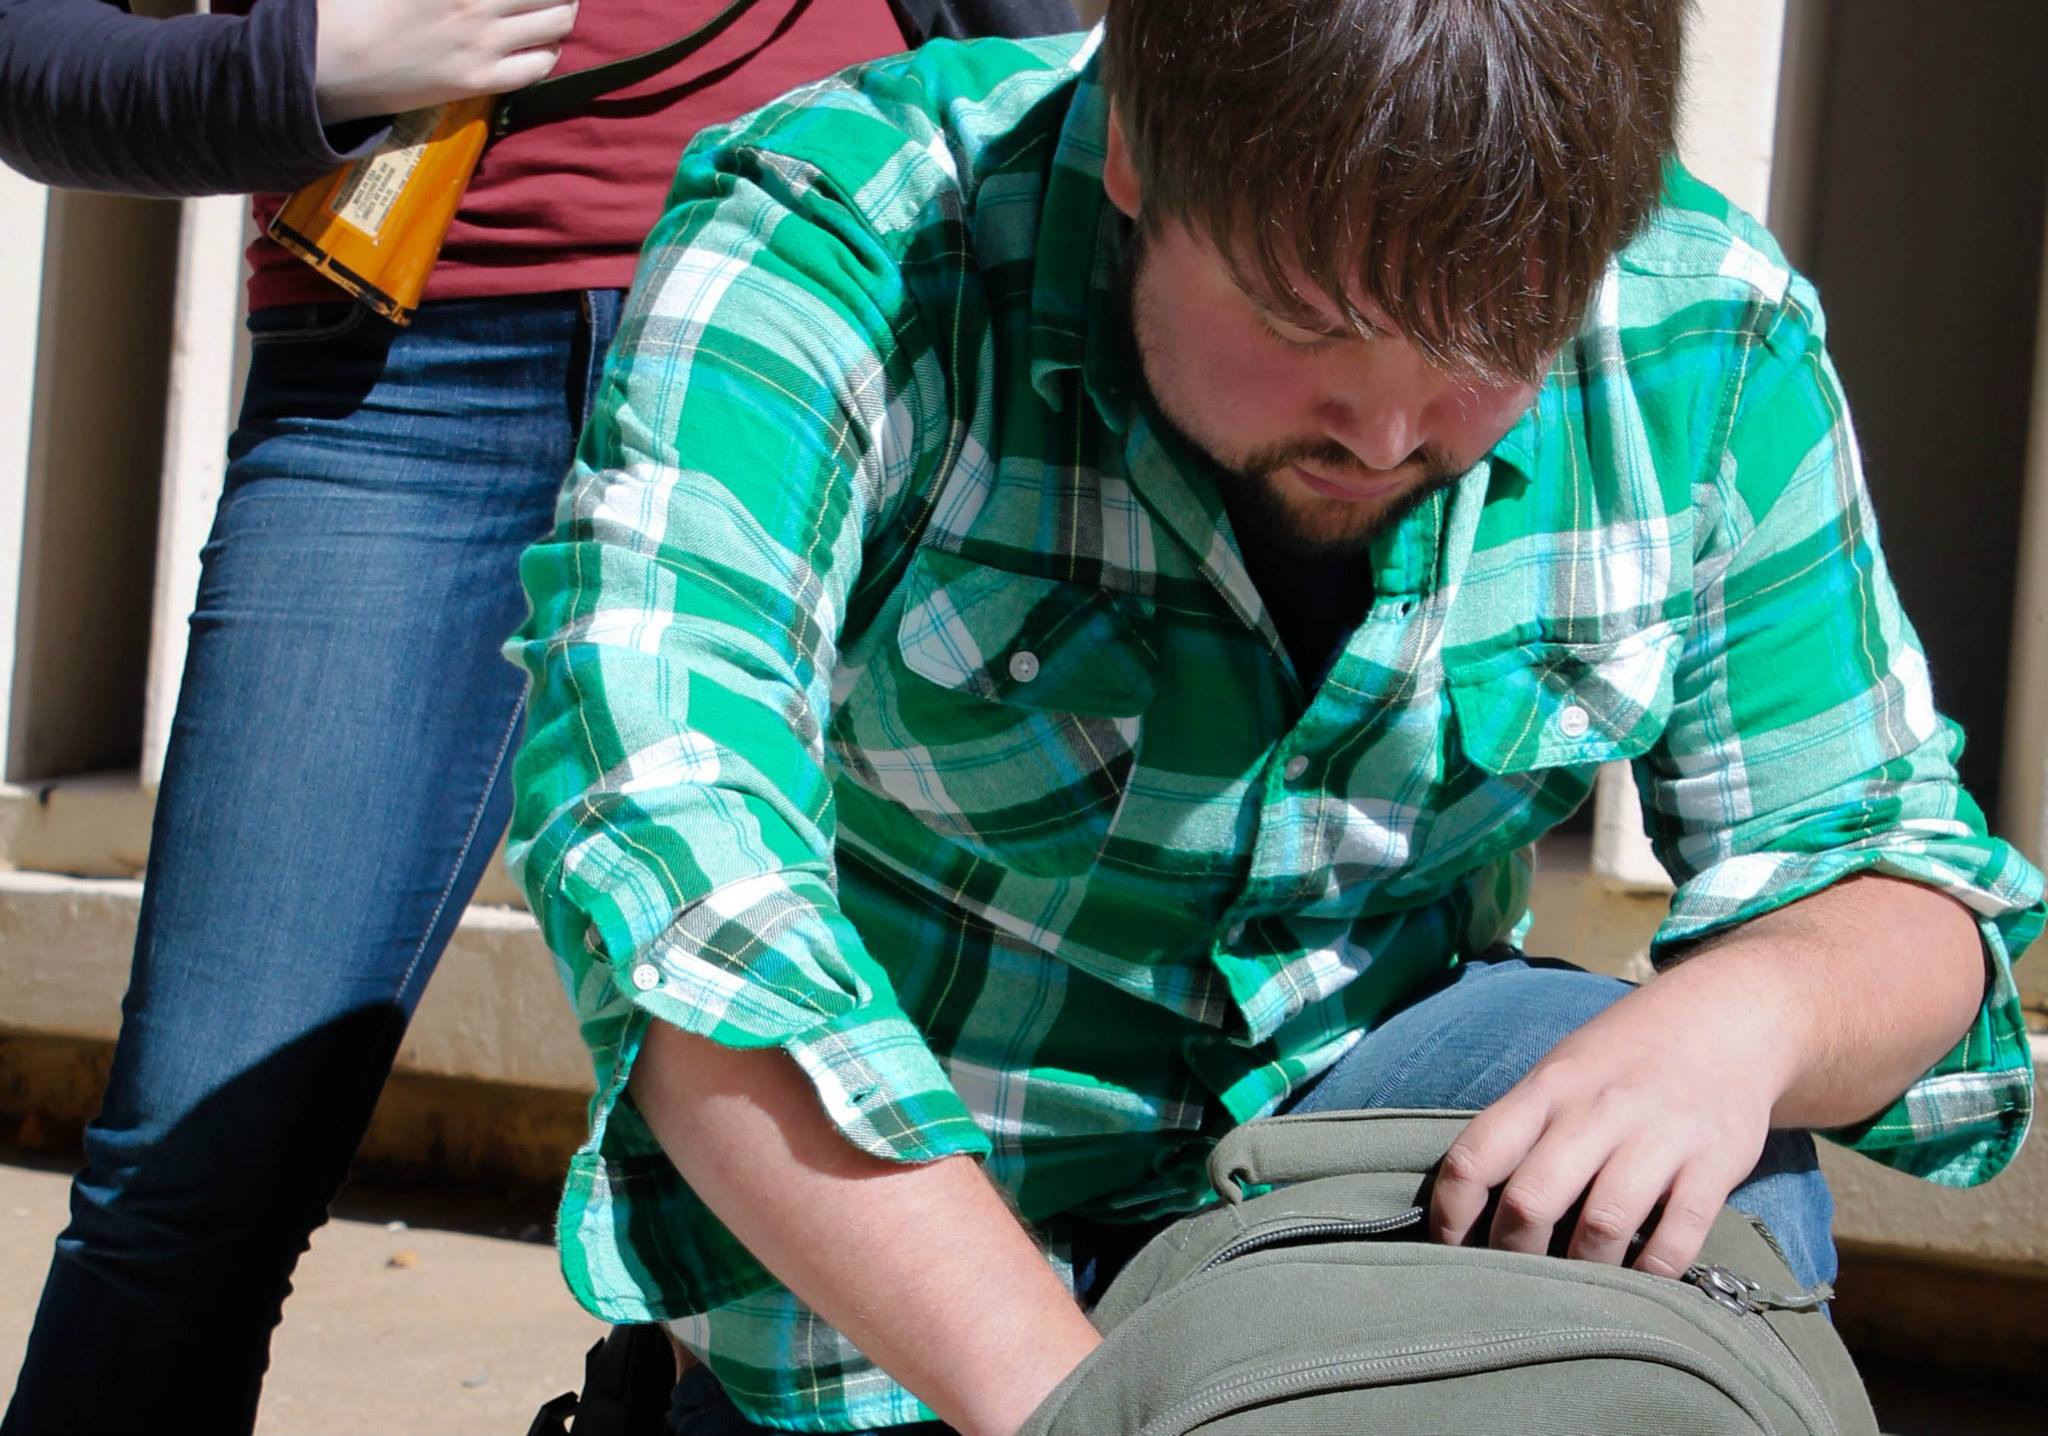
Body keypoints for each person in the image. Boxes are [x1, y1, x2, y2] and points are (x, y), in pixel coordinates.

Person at [508, 2, 2044, 1433]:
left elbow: (1901, 878)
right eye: (1305, 321)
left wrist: (1748, 1020)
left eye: (1486, 344)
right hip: (896, 1290)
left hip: (1367, 1175)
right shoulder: (847, 233)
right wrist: (1103, 1413)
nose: (1383, 431)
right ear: (1135, 153)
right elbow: (680, 868)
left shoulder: (1705, 325)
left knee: (1691, 1133)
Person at [0, 2, 1077, 1432]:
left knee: (922, 1148)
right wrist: (310, 65)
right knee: (194, 1175)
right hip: (407, 381)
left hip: (835, 332)